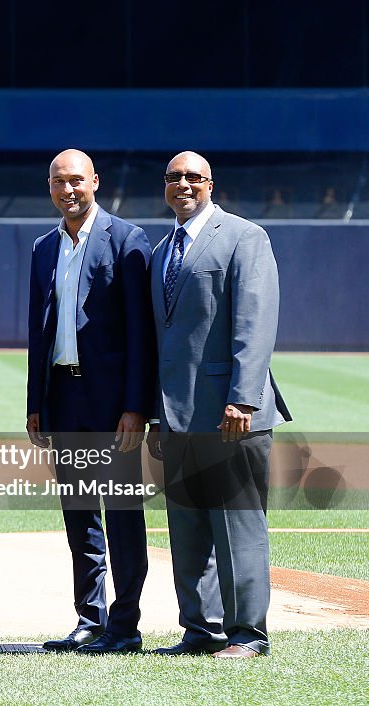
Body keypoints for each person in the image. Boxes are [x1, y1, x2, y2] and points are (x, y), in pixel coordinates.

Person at [148, 151, 291, 658]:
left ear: (211, 183)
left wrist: (242, 399)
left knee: (237, 526)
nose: (183, 185)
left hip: (230, 414)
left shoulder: (244, 237)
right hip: (177, 415)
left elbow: (255, 323)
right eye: (174, 178)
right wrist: (154, 414)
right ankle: (200, 630)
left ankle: (247, 635)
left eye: (193, 177)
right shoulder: (164, 248)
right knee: (187, 531)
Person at [26, 149, 155, 654]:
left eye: (76, 180)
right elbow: (39, 333)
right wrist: (36, 402)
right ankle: (88, 618)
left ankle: (125, 624)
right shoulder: (43, 248)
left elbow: (140, 333)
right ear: (50, 188)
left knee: (122, 514)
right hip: (63, 396)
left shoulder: (127, 240)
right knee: (79, 513)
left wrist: (135, 406)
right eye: (59, 182)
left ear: (95, 182)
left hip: (112, 404)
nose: (68, 190)